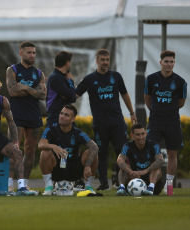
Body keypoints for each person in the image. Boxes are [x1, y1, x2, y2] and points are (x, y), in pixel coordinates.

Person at [75, 48, 137, 190]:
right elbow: (75, 95)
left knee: (121, 152)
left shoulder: (116, 76)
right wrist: (66, 84)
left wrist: (132, 113)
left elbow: (125, 94)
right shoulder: (90, 79)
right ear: (97, 61)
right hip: (100, 124)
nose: (105, 62)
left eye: (107, 60)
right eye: (102, 60)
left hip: (117, 122)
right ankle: (103, 183)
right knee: (100, 153)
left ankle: (118, 180)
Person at [144, 50, 187, 194]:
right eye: (166, 61)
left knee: (172, 153)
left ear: (174, 63)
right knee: (153, 154)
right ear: (160, 62)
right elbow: (147, 99)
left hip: (172, 122)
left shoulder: (180, 82)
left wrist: (168, 110)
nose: (169, 64)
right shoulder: (151, 79)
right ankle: (151, 185)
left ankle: (169, 185)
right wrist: (157, 111)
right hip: (155, 122)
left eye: (172, 61)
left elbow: (181, 103)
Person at [6, 41, 46, 191]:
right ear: (21, 53)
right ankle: (9, 184)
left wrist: (24, 86)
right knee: (13, 149)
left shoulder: (39, 73)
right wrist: (32, 90)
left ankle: (24, 184)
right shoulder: (13, 70)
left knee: (30, 151)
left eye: (34, 53)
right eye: (29, 52)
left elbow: (42, 95)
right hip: (17, 115)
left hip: (34, 115)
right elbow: (12, 91)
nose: (32, 55)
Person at [38, 104, 99, 195]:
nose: (62, 116)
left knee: (92, 153)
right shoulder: (51, 130)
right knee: (45, 152)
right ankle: (49, 187)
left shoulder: (78, 133)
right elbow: (40, 144)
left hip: (74, 170)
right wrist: (53, 146)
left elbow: (94, 147)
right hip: (57, 169)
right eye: (61, 113)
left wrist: (87, 165)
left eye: (66, 115)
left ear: (73, 119)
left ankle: (88, 187)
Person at [116, 123, 164, 196]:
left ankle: (150, 188)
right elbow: (119, 160)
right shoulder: (127, 146)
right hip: (134, 180)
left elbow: (160, 160)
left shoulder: (154, 145)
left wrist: (145, 171)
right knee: (124, 167)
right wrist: (130, 171)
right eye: (138, 135)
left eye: (142, 134)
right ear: (132, 136)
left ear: (146, 133)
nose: (141, 137)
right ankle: (121, 188)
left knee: (156, 166)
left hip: (152, 181)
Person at [46, 51, 76, 126]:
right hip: (56, 119)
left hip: (64, 119)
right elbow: (72, 97)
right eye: (70, 62)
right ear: (67, 63)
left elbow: (70, 96)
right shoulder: (55, 77)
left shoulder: (62, 76)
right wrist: (71, 81)